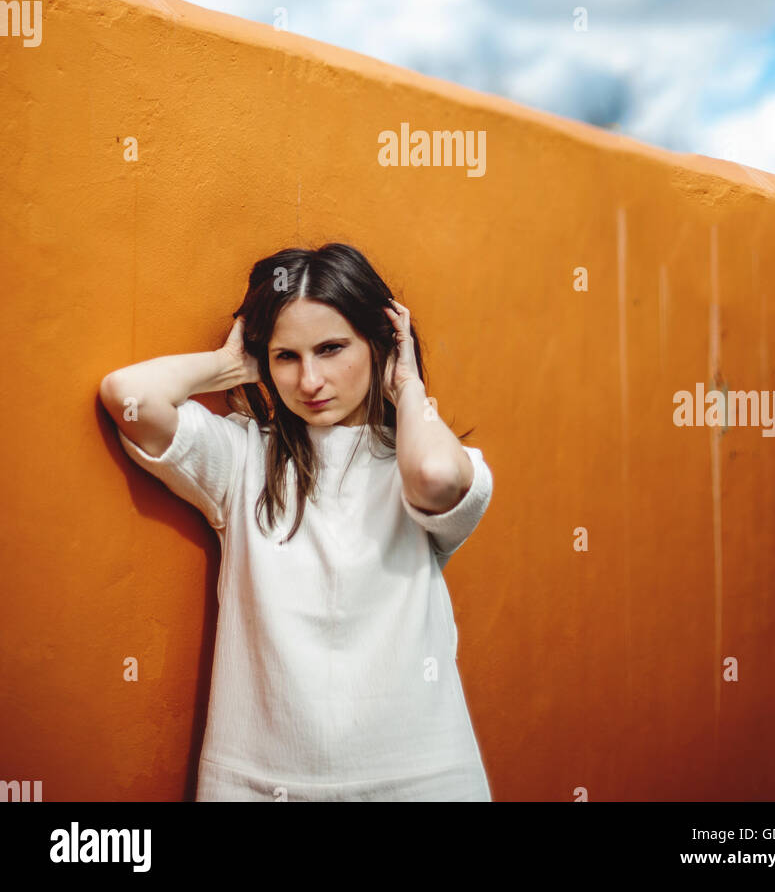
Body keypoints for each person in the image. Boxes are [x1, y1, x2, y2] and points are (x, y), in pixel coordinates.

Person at [99, 242, 494, 802]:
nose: (310, 381)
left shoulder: (423, 458)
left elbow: (432, 475)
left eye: (332, 348)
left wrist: (407, 386)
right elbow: (127, 395)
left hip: (421, 777)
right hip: (257, 781)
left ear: (380, 343)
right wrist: (229, 365)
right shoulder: (241, 459)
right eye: (287, 356)